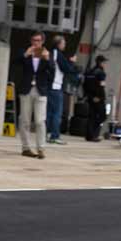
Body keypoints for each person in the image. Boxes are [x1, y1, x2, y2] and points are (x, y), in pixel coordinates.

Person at [16, 31, 55, 159]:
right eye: (33, 40)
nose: (35, 43)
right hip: (26, 89)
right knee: (25, 120)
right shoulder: (25, 52)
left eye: (38, 40)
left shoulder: (46, 54)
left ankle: (41, 149)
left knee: (39, 121)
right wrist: (25, 54)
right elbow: (15, 63)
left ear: (43, 41)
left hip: (41, 90)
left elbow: (53, 72)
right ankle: (26, 148)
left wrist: (48, 59)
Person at [45, 35, 78, 145]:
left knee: (49, 112)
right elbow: (66, 68)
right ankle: (55, 136)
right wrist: (72, 62)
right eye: (63, 43)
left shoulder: (50, 53)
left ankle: (48, 134)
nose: (64, 45)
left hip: (48, 86)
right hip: (56, 86)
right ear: (59, 44)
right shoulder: (58, 54)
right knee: (57, 113)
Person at [83, 55, 107, 142]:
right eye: (104, 62)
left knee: (91, 116)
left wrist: (89, 96)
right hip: (98, 98)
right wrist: (99, 97)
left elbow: (85, 85)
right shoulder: (101, 73)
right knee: (102, 116)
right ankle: (94, 134)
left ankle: (89, 135)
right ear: (100, 62)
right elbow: (101, 87)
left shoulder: (90, 71)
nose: (105, 64)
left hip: (90, 97)